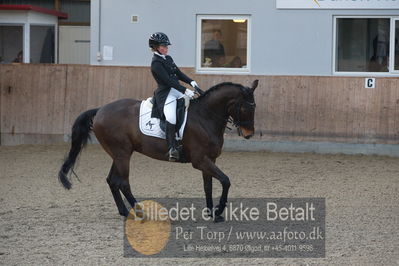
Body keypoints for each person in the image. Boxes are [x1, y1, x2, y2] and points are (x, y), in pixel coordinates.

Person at [149, 32, 199, 162]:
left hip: (176, 89)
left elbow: (178, 73)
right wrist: (185, 90)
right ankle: (172, 148)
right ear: (155, 47)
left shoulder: (168, 58)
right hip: (166, 94)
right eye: (163, 46)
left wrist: (191, 81)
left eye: (166, 46)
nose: (166, 48)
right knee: (171, 117)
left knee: (194, 103)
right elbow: (168, 81)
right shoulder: (156, 63)